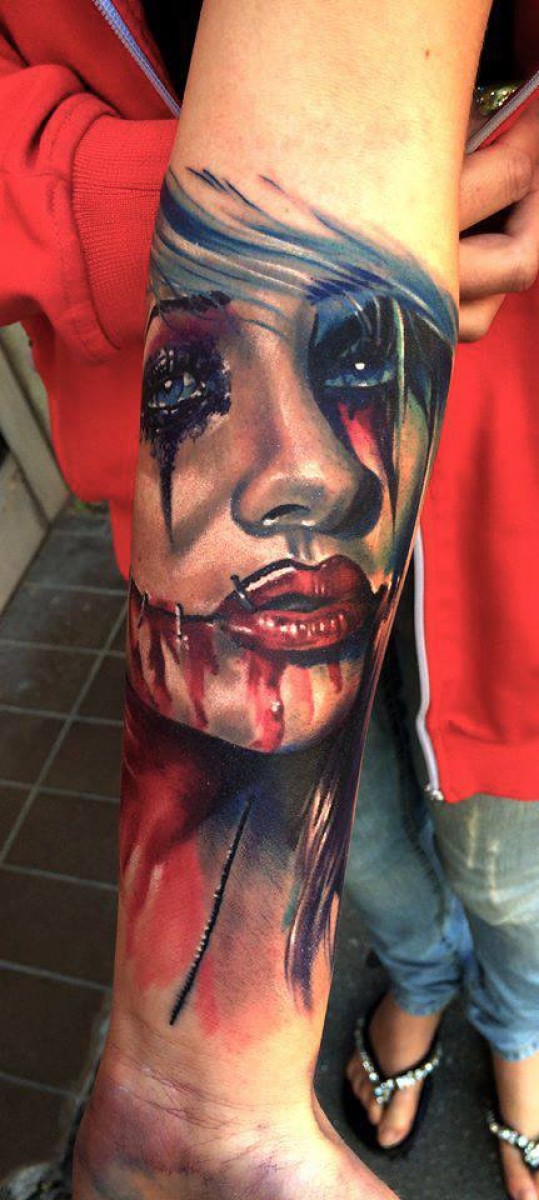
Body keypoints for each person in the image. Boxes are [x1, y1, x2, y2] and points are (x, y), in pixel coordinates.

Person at [0, 3, 537, 1199]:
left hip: (517, 513)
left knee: (508, 866)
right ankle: (417, 980)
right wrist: (129, 206)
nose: (312, 473)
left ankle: (517, 1033)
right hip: (205, 577)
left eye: (353, 362)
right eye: (195, 383)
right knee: (368, 858)